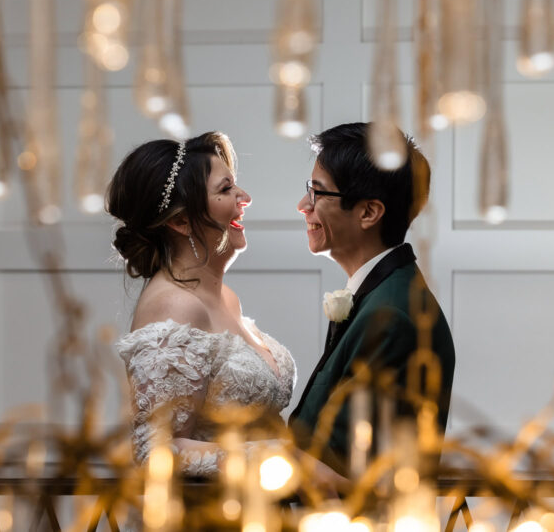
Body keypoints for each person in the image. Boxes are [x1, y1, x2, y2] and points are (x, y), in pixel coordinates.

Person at [109, 131, 299, 476]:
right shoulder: (173, 307)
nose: (245, 197)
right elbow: (156, 451)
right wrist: (277, 460)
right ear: (180, 221)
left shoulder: (226, 298)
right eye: (226, 190)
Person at [288, 122, 456, 475]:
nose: (304, 205)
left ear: (368, 212)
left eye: (318, 193)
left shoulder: (390, 316)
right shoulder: (382, 293)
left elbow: (337, 460)